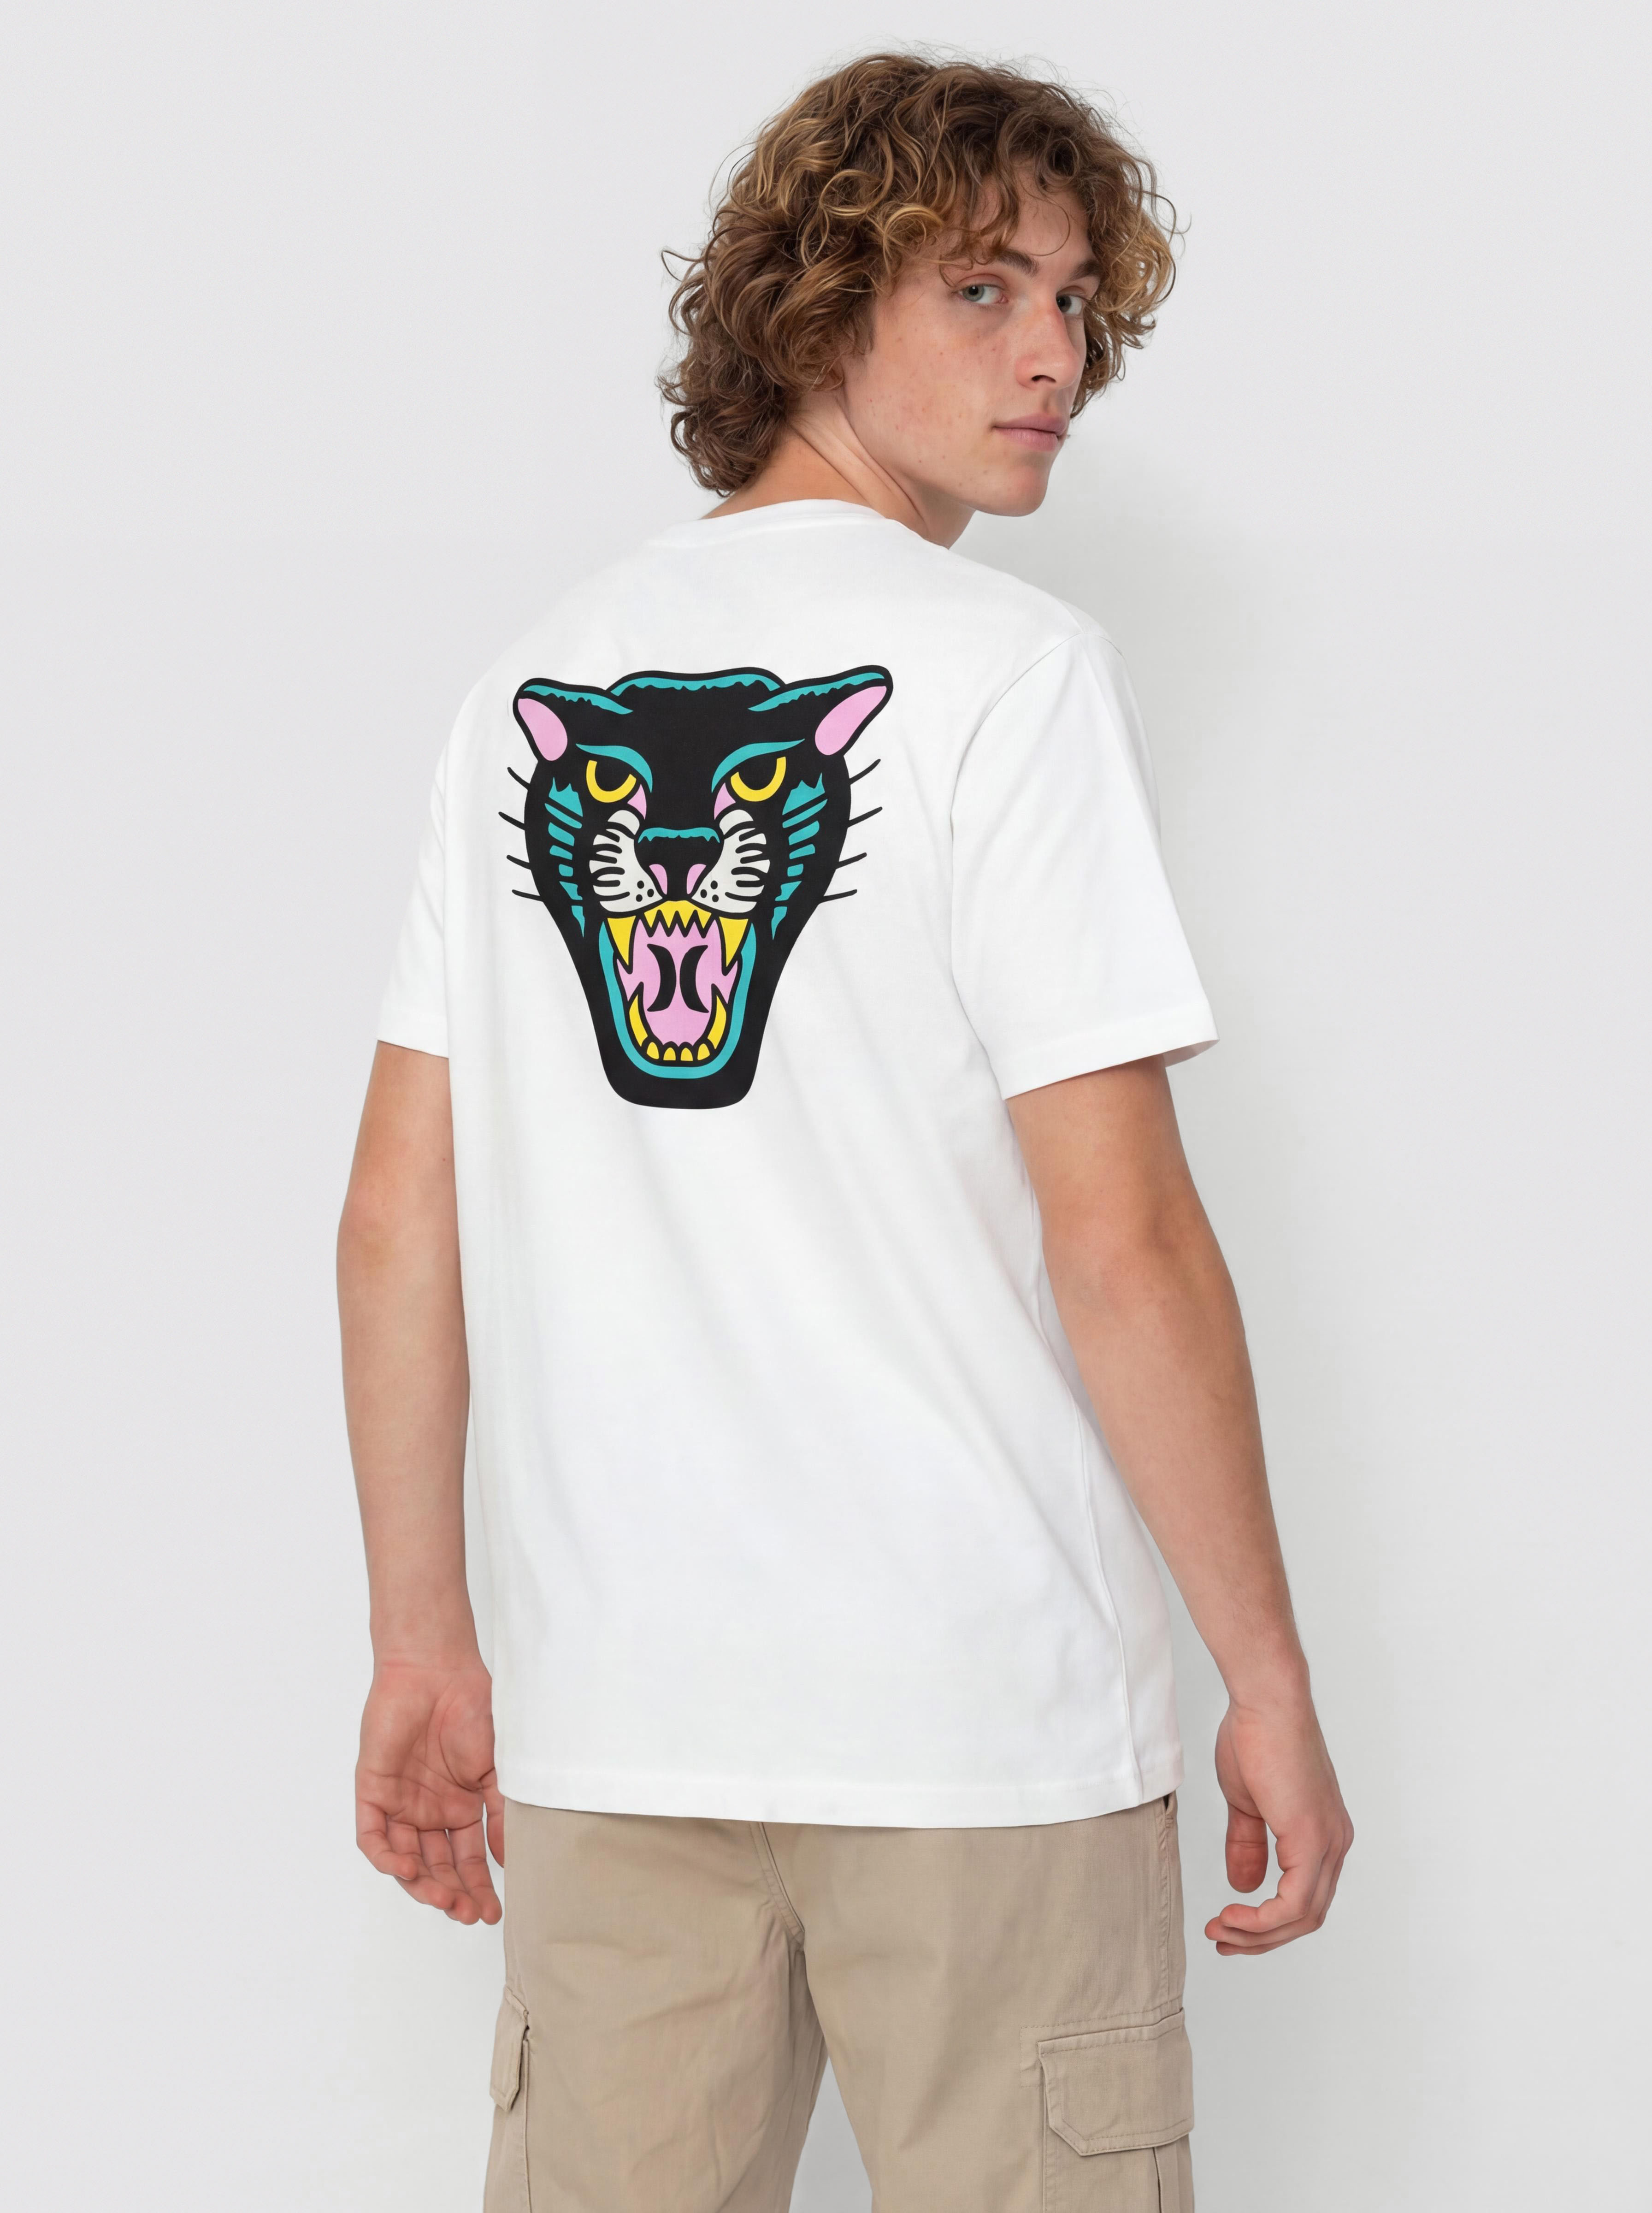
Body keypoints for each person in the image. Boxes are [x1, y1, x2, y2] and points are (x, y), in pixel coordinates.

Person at [338, 50, 1352, 2213]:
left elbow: (398, 1216)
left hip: (620, 1721)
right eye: (982, 289)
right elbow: (1123, 1242)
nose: (1052, 355)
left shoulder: (529, 692)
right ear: (815, 306)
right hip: (979, 1732)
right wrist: (1262, 1671)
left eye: (1074, 302)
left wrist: (422, 1643)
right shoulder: (1009, 672)